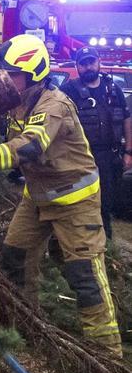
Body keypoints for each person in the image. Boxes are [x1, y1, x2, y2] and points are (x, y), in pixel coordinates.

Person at [0, 34, 122, 357]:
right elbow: (4, 134)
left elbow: (30, 146)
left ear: (32, 74)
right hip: (37, 197)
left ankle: (107, 358)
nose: (6, 81)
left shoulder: (53, 105)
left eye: (12, 75)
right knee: (15, 259)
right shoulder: (17, 100)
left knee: (84, 276)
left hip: (75, 204)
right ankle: (23, 333)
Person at [59, 46, 132, 240]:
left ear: (99, 62)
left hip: (109, 157)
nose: (88, 67)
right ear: (77, 66)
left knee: (105, 205)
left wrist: (128, 152)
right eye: (83, 64)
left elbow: (126, 118)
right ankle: (78, 244)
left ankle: (105, 246)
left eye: (91, 62)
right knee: (79, 204)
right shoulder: (67, 91)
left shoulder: (113, 89)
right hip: (79, 158)